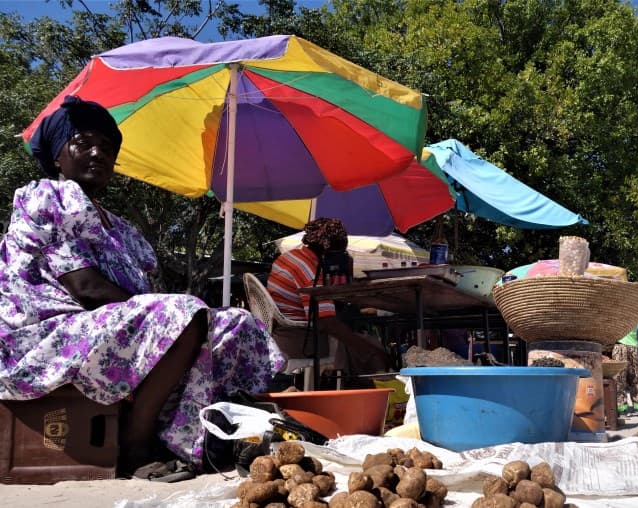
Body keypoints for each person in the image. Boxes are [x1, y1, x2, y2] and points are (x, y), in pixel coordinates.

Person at [0, 96, 285, 477]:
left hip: (101, 326)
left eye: (107, 148)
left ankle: (208, 437)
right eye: (83, 143)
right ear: (58, 156)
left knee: (235, 323)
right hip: (43, 335)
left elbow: (140, 298)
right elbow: (86, 288)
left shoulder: (119, 228)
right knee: (182, 315)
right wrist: (171, 320)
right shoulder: (47, 197)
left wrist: (186, 319)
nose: (98, 153)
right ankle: (136, 447)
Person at [267, 217, 391, 375]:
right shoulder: (310, 270)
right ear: (327, 251)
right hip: (302, 339)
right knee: (370, 348)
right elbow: (326, 322)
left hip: (284, 333)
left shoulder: (288, 257)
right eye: (340, 253)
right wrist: (368, 349)